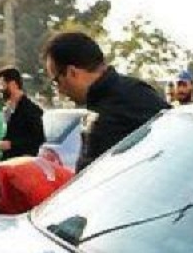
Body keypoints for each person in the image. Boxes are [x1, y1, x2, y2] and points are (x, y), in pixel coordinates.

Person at [42, 31, 169, 172]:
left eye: (56, 81)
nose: (60, 91)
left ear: (72, 72)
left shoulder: (109, 115)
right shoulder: (137, 91)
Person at [0, 67, 46, 159]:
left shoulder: (30, 110)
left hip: (23, 162)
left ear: (13, 85)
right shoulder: (8, 110)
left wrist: (12, 144)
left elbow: (38, 139)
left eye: (1, 85)